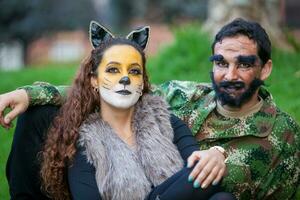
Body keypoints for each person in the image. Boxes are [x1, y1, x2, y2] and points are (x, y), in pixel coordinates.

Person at [1, 18, 299, 199]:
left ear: (265, 69)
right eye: (221, 63)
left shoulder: (284, 134)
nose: (230, 75)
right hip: (123, 181)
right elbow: (119, 90)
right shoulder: (186, 95)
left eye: (244, 64)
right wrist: (30, 93)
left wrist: (219, 156)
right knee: (38, 113)